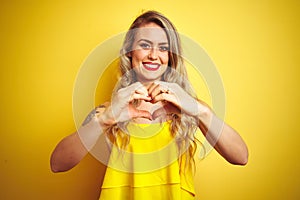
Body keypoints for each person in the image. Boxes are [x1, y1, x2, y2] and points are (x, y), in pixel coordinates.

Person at [50, 10, 248, 200]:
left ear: (170, 56)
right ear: (129, 52)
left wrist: (200, 110)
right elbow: (57, 163)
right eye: (145, 45)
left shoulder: (189, 108)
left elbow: (240, 156)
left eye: (163, 48)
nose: (154, 55)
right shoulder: (111, 110)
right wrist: (106, 118)